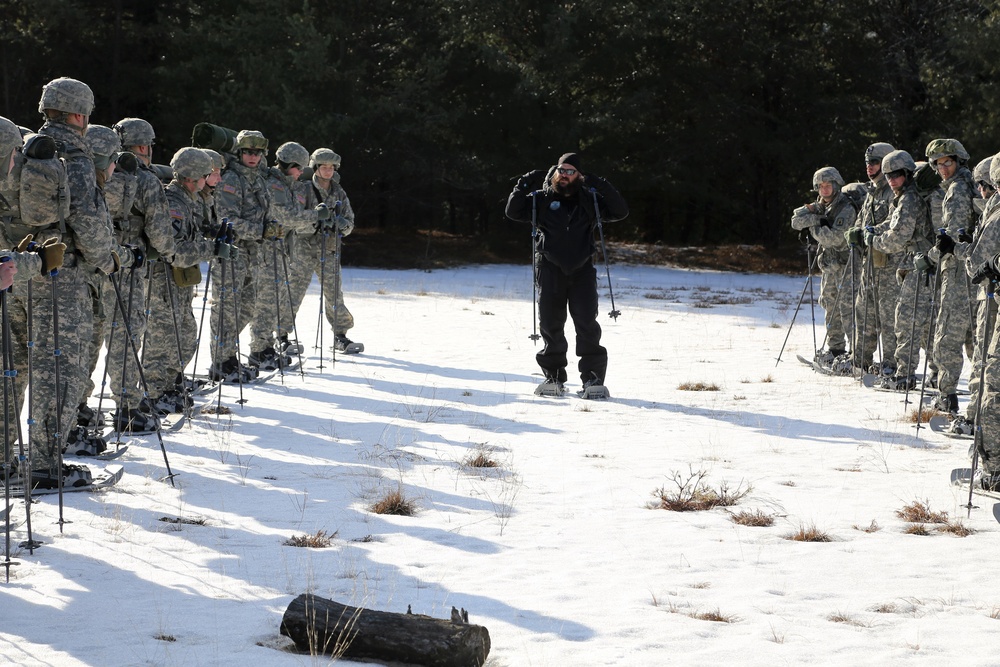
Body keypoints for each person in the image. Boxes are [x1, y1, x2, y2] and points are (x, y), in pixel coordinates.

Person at [10, 78, 120, 487]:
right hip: (61, 274)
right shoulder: (73, 154)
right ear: (79, 114)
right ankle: (43, 464)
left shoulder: (25, 148)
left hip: (19, 270)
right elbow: (87, 220)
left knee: (14, 369)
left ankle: (5, 458)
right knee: (58, 370)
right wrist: (107, 259)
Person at [505, 152, 628, 397]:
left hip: (582, 270)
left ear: (579, 175)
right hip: (550, 269)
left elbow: (620, 210)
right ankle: (553, 377)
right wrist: (524, 182)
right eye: (562, 170)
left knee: (586, 324)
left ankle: (592, 379)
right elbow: (512, 210)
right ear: (555, 172)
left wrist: (601, 183)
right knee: (550, 324)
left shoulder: (590, 200)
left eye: (571, 171)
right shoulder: (540, 199)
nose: (565, 176)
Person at [142, 147, 221, 410]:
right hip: (162, 282)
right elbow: (173, 251)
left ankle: (167, 385)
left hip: (179, 284)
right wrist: (212, 249)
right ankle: (152, 394)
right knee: (161, 341)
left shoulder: (191, 200)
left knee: (185, 336)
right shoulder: (174, 203)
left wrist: (213, 234)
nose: (208, 179)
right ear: (192, 176)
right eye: (204, 174)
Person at [852, 150, 935, 391]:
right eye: (888, 175)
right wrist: (873, 230)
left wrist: (872, 240)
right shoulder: (902, 197)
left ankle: (905, 374)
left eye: (897, 175)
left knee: (906, 321)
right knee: (921, 322)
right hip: (914, 264)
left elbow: (898, 237)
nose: (892, 180)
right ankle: (930, 372)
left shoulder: (909, 199)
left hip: (918, 264)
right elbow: (892, 223)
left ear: (907, 174)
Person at [249, 141, 325, 369]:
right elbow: (286, 216)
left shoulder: (287, 185)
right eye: (299, 168)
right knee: (266, 302)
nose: (301, 173)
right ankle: (259, 350)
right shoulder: (275, 185)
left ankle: (266, 346)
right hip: (267, 252)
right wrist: (315, 215)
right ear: (288, 165)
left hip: (280, 251)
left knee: (275, 301)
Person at [287, 148, 362, 354]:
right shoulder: (303, 189)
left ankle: (340, 335)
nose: (328, 171)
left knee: (334, 294)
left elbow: (350, 222)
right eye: (324, 167)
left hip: (329, 249)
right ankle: (282, 335)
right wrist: (316, 220)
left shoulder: (339, 192)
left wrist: (339, 223)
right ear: (315, 168)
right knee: (294, 292)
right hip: (304, 248)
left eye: (331, 168)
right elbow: (295, 221)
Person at [211, 130, 271, 382]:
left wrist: (271, 226)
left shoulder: (258, 179)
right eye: (248, 152)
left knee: (248, 304)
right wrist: (262, 230)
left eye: (257, 153)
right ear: (239, 152)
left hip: (253, 252)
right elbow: (227, 220)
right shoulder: (232, 179)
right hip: (232, 251)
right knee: (226, 306)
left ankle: (227, 351)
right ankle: (222, 360)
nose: (252, 157)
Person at [925, 139, 978, 414]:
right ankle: (981, 399)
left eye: (948, 162)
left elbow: (954, 235)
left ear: (959, 160)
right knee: (974, 337)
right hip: (976, 271)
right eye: (938, 164)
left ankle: (946, 395)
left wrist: (930, 257)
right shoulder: (972, 183)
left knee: (947, 334)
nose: (943, 168)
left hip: (957, 271)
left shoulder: (957, 189)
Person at [791, 166, 857, 372]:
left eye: (828, 185)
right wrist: (818, 220)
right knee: (830, 305)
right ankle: (836, 349)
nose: (824, 190)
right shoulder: (820, 206)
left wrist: (814, 227)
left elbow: (835, 238)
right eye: (820, 186)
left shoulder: (846, 208)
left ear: (836, 185)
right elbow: (795, 221)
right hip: (829, 266)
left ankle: (857, 355)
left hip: (846, 266)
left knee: (848, 309)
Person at [952, 155, 1000, 435]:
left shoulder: (995, 215)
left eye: (983, 185)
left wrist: (960, 250)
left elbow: (977, 264)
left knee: (985, 359)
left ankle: (978, 421)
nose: (981, 192)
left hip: (992, 296)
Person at [849, 142, 900, 375]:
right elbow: (861, 222)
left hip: (889, 266)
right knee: (864, 313)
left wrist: (870, 233)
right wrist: (855, 233)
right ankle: (860, 361)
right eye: (868, 162)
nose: (869, 167)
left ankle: (891, 365)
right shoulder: (871, 191)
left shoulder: (893, 191)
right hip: (869, 264)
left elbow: (894, 225)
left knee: (889, 318)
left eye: (875, 162)